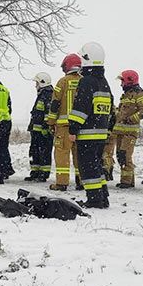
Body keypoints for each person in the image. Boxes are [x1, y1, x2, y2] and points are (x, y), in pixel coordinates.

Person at [68, 42, 114, 208]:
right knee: (97, 166)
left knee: (87, 168)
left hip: (87, 133)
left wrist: (73, 127)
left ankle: (94, 200)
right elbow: (111, 107)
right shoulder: (104, 82)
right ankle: (102, 197)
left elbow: (81, 108)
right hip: (101, 134)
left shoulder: (87, 81)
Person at [102, 70, 143, 188]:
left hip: (130, 133)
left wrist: (132, 118)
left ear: (129, 80)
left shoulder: (139, 95)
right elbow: (122, 113)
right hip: (120, 132)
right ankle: (126, 180)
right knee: (120, 155)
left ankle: (127, 181)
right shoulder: (125, 95)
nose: (121, 84)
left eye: (122, 81)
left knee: (126, 155)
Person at [46, 54, 83, 191]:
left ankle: (62, 183)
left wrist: (50, 122)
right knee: (79, 155)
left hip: (64, 127)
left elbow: (55, 103)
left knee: (62, 154)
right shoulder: (84, 81)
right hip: (81, 127)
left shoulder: (63, 82)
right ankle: (82, 181)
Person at [25, 72, 54, 182]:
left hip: (43, 131)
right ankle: (35, 172)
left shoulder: (48, 95)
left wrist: (46, 127)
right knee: (34, 151)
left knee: (44, 152)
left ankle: (43, 173)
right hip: (36, 131)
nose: (35, 85)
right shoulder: (42, 94)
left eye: (36, 83)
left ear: (42, 83)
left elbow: (48, 113)